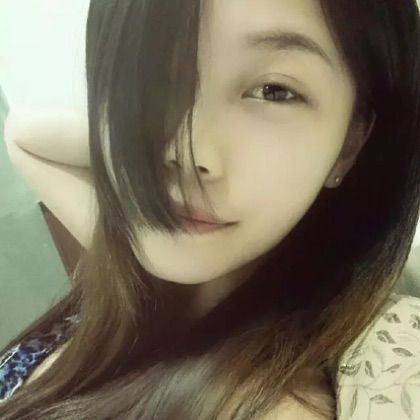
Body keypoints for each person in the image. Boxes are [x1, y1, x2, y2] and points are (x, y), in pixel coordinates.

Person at [1, 0, 420, 418]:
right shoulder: (141, 276)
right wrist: (127, 156)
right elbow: (24, 136)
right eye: (152, 71)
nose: (188, 152)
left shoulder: (275, 406)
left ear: (350, 143)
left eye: (274, 91)